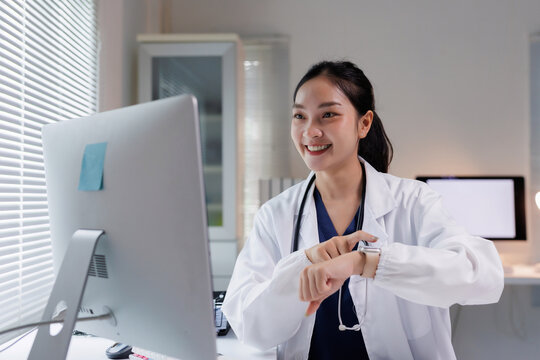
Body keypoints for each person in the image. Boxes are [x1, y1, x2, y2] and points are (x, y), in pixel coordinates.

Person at [221, 60, 504, 360]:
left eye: (328, 114)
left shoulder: (414, 201)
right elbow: (249, 326)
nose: (310, 131)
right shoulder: (275, 215)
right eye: (299, 116)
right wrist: (299, 267)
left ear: (364, 123)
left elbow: (482, 276)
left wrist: (368, 263)